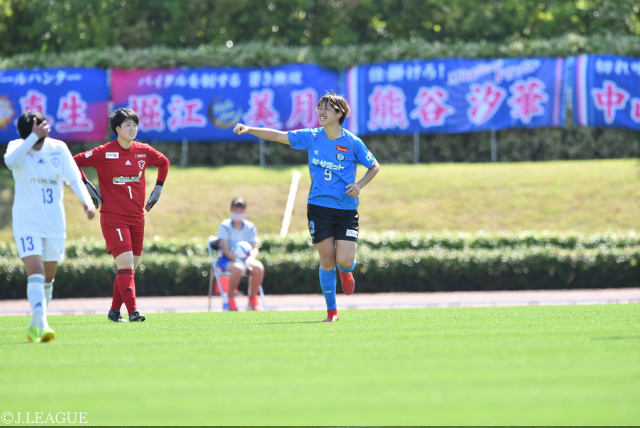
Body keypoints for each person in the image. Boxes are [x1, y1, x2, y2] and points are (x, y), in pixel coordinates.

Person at [233, 90, 380, 322]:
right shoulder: (312, 136)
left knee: (343, 260)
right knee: (326, 259)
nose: (320, 112)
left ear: (339, 113)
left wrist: (360, 185)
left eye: (326, 108)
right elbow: (279, 136)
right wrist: (250, 129)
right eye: (319, 107)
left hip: (346, 209)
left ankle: (346, 271)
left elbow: (374, 166)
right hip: (318, 207)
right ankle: (332, 312)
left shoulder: (353, 142)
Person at [4, 111, 96, 343]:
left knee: (48, 278)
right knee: (36, 272)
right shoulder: (18, 147)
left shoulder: (58, 148)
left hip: (54, 222)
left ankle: (36, 325)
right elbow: (9, 161)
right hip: (27, 222)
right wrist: (32, 138)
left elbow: (74, 178)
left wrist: (86, 201)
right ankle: (43, 323)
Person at [73, 108, 170, 323]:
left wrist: (159, 187)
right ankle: (133, 311)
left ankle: (114, 312)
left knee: (129, 268)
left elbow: (164, 162)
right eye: (128, 125)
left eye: (135, 124)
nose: (133, 128)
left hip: (137, 218)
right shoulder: (104, 152)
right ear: (117, 129)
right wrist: (86, 183)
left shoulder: (143, 151)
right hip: (113, 217)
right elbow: (73, 161)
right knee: (126, 265)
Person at [215, 197, 265, 311]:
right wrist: (236, 259)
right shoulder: (225, 226)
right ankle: (230, 300)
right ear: (231, 209)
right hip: (227, 259)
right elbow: (224, 247)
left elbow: (255, 247)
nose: (238, 211)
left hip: (246, 259)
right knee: (237, 269)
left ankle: (253, 300)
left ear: (245, 210)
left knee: (258, 268)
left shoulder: (250, 227)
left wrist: (250, 259)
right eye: (236, 208)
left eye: (241, 209)